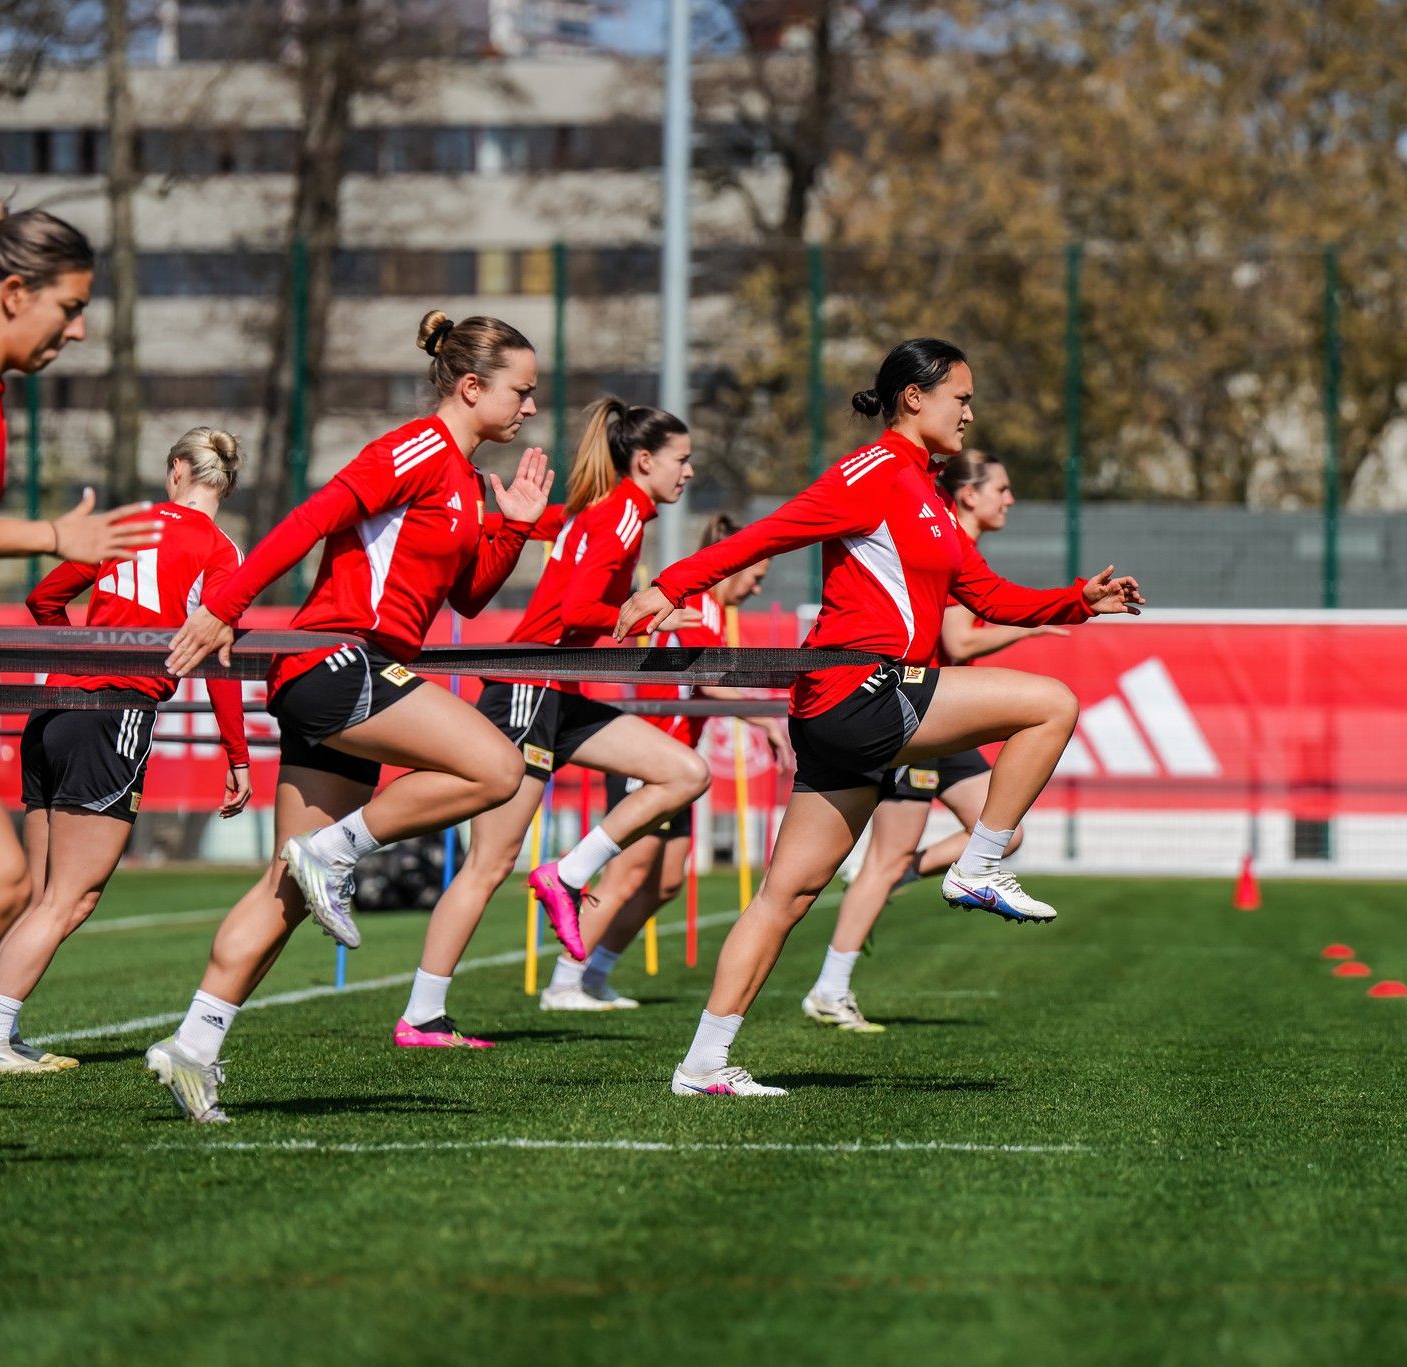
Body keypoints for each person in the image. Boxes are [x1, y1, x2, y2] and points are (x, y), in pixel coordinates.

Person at [612, 337, 1143, 1097]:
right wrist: (670, 586)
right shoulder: (871, 472)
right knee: (1051, 704)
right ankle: (978, 865)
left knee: (786, 897)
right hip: (859, 690)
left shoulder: (928, 492)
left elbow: (989, 597)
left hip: (852, 707)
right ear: (913, 398)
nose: (969, 412)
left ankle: (702, 1064)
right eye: (960, 397)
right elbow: (769, 533)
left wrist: (1078, 600)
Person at [148, 310, 553, 1122]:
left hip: (354, 676)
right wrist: (225, 604)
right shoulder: (413, 449)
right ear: (472, 387)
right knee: (499, 767)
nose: (532, 407)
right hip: (337, 663)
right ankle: (333, 851)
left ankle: (192, 1046)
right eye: (523, 390)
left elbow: (470, 595)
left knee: (285, 891)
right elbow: (311, 518)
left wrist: (513, 525)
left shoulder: (467, 481)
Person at [404, 397, 714, 1045]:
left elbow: (560, 544)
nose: (689, 472)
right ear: (645, 460)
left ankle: (567, 874)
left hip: (557, 691)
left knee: (684, 771)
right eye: (681, 460)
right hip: (528, 687)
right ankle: (421, 1013)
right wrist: (644, 613)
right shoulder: (621, 512)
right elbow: (577, 610)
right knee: (489, 864)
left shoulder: (610, 510)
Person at [0, 428, 251, 1076]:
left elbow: (43, 598)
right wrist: (236, 755)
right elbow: (219, 657)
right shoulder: (220, 549)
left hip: (51, 710)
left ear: (176, 469)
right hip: (114, 713)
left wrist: (76, 658)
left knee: (38, 894)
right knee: (70, 899)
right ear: (226, 483)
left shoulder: (128, 526)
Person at [0, 192, 161, 1000]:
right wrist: (53, 535)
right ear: (15, 294)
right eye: (71, 308)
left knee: (1, 882)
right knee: (0, 882)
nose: (77, 330)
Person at [802, 449, 1065, 1033]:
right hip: (913, 717)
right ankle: (830, 988)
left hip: (945, 722)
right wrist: (1030, 627)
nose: (1010, 499)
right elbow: (960, 643)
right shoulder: (936, 541)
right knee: (886, 858)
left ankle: (902, 876)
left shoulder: (958, 544)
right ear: (969, 494)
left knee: (1005, 831)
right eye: (1001, 488)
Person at [541, 514, 791, 1011]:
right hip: (649, 758)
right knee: (626, 876)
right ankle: (563, 984)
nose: (757, 589)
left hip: (678, 764)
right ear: (734, 565)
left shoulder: (714, 613)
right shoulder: (694, 605)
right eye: (756, 576)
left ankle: (595, 975)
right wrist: (765, 720)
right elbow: (708, 682)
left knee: (667, 881)